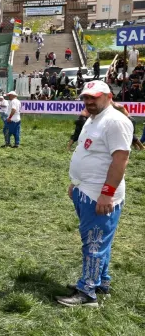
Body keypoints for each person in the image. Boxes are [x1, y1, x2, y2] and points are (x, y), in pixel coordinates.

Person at [56, 81, 133, 308]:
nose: (89, 101)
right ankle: (101, 282)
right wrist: (76, 183)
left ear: (108, 96)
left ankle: (87, 292)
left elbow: (120, 160)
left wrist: (107, 194)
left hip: (100, 194)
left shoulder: (116, 122)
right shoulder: (93, 118)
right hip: (85, 190)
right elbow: (88, 151)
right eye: (86, 97)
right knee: (99, 241)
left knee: (94, 243)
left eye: (94, 97)